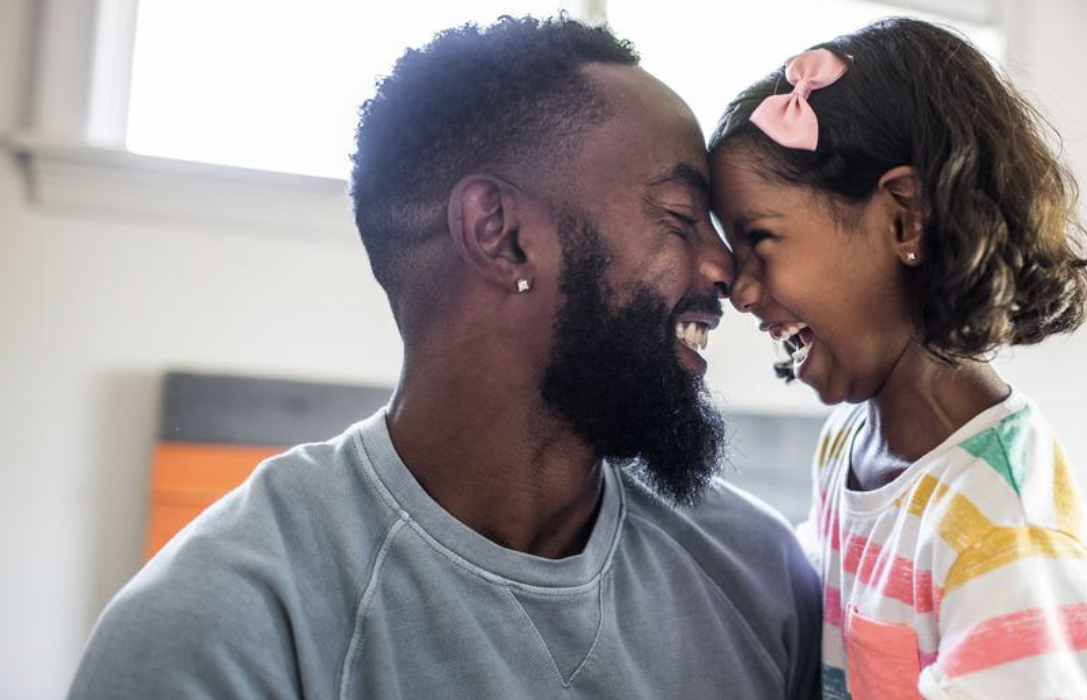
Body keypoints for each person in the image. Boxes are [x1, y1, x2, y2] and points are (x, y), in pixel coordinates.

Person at [68, 17, 821, 699]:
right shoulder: (220, 632)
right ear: (501, 235)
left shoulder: (759, 574)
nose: (727, 270)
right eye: (681, 219)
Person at [708, 18, 1087, 700]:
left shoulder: (1001, 526)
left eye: (760, 240)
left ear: (904, 218)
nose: (741, 288)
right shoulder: (847, 446)